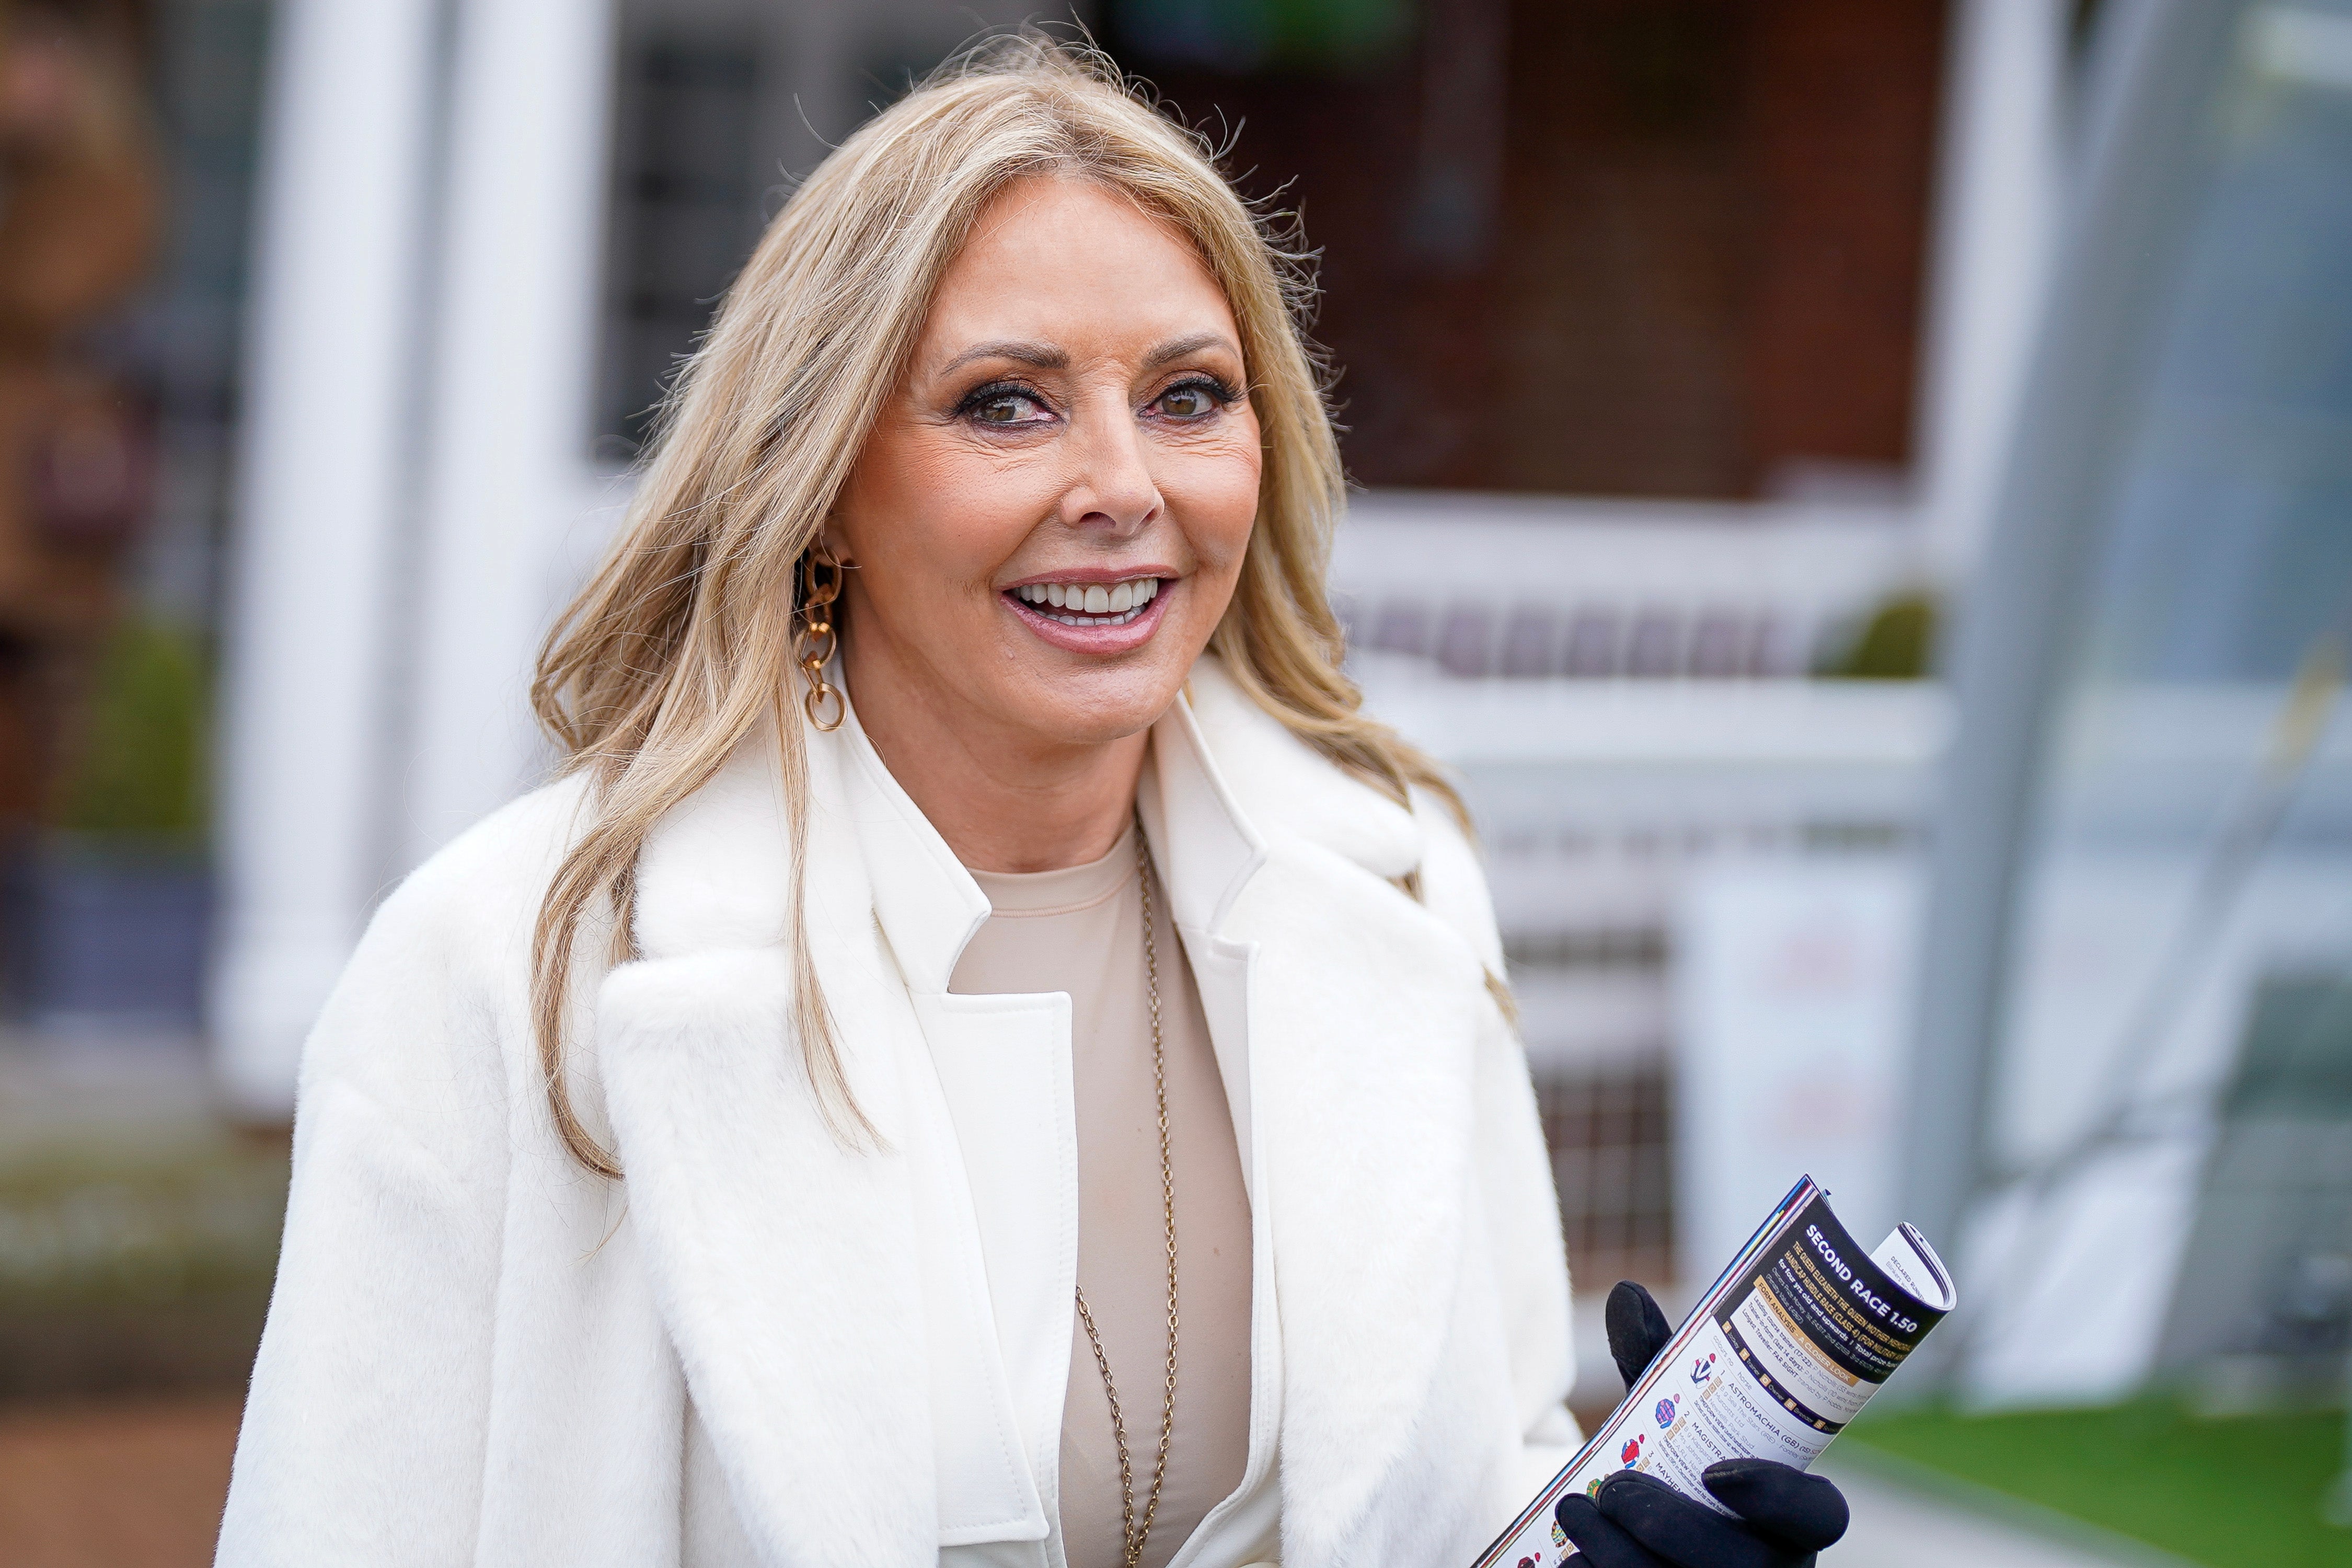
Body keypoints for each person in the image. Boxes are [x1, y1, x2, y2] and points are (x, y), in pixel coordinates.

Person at [215, 37, 1843, 1568]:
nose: (1124, 487)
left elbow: (1464, 1484)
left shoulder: (1397, 878)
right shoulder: (503, 963)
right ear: (820, 478)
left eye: (1190, 397)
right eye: (1008, 401)